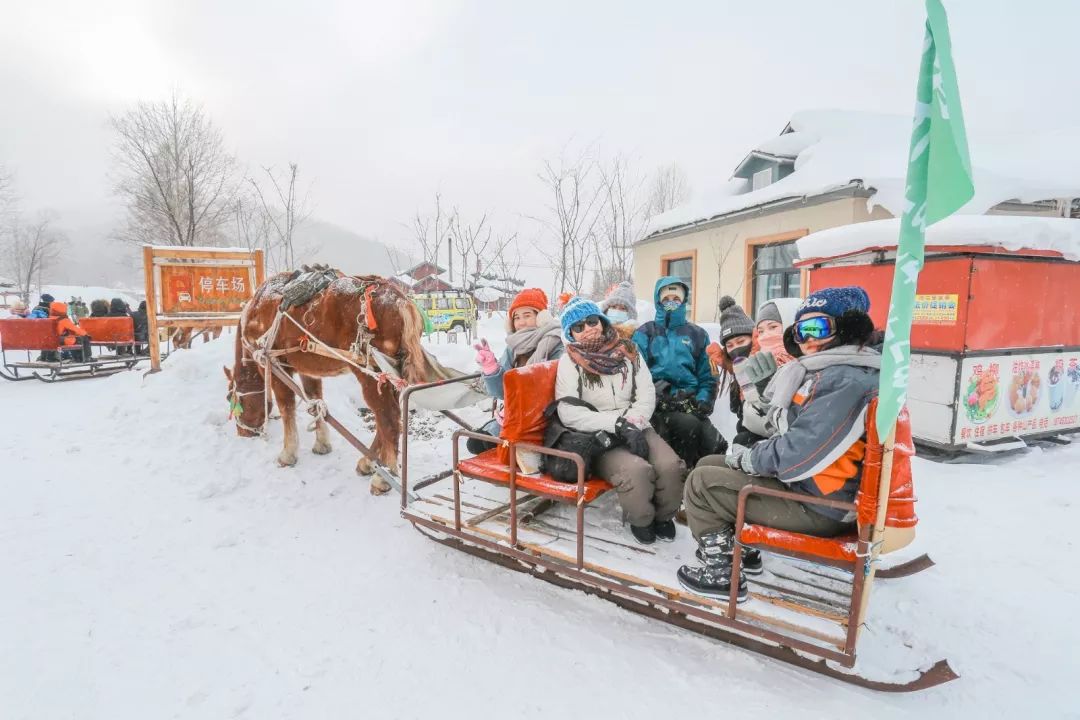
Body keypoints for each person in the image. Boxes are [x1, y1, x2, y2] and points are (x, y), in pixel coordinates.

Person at [676, 286, 880, 601]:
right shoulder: (830, 372)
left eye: (819, 327)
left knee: (701, 481)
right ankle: (732, 551)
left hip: (820, 504)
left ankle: (720, 573)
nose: (808, 338)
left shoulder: (844, 380)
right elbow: (791, 427)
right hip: (815, 489)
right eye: (801, 330)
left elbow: (798, 453)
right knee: (708, 465)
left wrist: (749, 459)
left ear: (848, 328)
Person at [555, 297, 685, 544]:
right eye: (578, 327)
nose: (588, 329)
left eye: (592, 321)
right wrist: (616, 423)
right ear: (570, 333)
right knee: (636, 472)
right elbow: (568, 411)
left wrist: (634, 421)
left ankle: (664, 516)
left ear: (602, 321)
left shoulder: (629, 352)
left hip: (636, 423)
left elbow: (646, 393)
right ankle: (642, 520)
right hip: (600, 435)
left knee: (671, 466)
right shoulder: (569, 362)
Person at [632, 277, 723, 467]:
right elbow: (635, 370)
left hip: (687, 402)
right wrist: (653, 394)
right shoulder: (646, 332)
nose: (671, 302)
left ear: (683, 301)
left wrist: (703, 400)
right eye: (666, 299)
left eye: (676, 298)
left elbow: (709, 375)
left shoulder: (697, 334)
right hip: (655, 403)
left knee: (702, 434)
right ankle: (670, 475)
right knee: (668, 429)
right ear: (658, 301)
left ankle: (692, 473)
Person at [469, 288, 565, 453]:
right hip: (515, 417)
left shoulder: (556, 344)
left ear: (541, 317)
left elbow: (555, 390)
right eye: (516, 317)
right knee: (475, 444)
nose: (521, 322)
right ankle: (508, 445)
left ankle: (514, 447)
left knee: (508, 450)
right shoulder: (512, 348)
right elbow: (502, 393)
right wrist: (491, 369)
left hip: (546, 418)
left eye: (527, 315)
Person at [708, 296, 803, 449]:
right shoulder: (741, 370)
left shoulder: (790, 361)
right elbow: (744, 413)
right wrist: (736, 371)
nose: (736, 349)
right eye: (730, 345)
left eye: (741, 342)